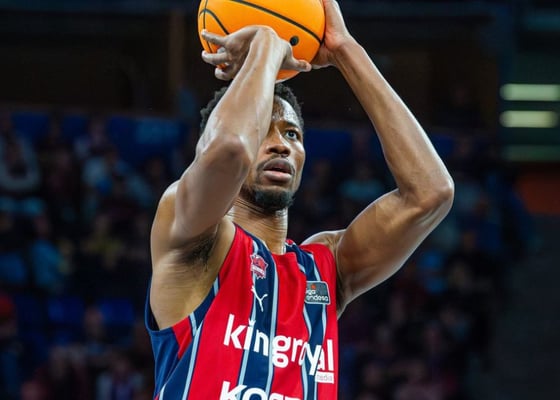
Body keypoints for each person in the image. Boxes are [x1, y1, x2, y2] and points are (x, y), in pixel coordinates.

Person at [145, 0, 454, 398]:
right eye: (264, 130)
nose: (280, 145)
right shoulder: (189, 233)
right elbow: (229, 150)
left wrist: (345, 50)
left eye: (292, 134)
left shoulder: (325, 269)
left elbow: (431, 193)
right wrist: (267, 44)